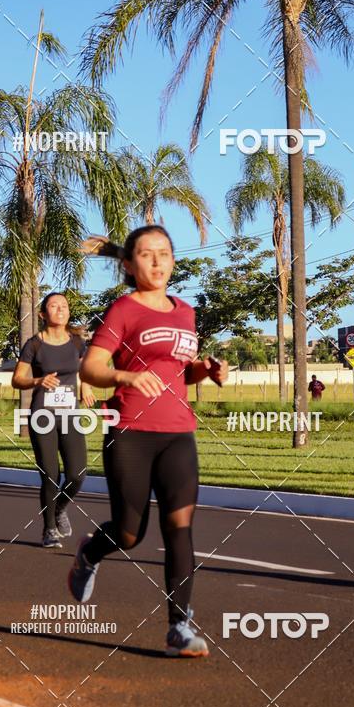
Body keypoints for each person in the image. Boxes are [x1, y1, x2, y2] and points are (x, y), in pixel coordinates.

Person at [68, 224, 228, 658]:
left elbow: (181, 369)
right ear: (128, 264)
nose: (157, 261)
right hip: (131, 432)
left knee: (180, 528)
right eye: (147, 254)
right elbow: (91, 368)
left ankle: (180, 625)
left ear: (174, 260)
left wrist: (205, 370)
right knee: (129, 533)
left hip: (178, 433)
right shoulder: (123, 310)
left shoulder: (185, 311)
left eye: (164, 253)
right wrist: (128, 374)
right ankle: (90, 554)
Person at [12, 292, 95, 548]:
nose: (60, 309)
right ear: (43, 314)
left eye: (64, 306)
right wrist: (38, 380)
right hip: (42, 415)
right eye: (53, 306)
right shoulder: (34, 344)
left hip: (70, 414)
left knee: (77, 474)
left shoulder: (78, 342)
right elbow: (17, 379)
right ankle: (49, 530)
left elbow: (87, 369)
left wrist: (87, 386)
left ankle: (59, 508)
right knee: (50, 475)